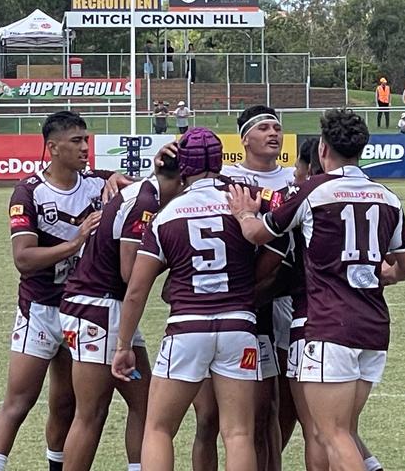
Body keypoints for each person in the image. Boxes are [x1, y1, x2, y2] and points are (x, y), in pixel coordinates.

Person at [227, 109, 405, 471]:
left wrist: (242, 214)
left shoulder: (313, 190)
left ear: (323, 150)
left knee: (332, 434)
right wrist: (385, 276)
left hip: (328, 325)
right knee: (334, 430)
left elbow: (257, 234)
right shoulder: (387, 197)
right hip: (374, 327)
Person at [0, 111, 129, 471]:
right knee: (18, 401)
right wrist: (76, 242)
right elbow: (24, 258)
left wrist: (130, 183)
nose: (85, 147)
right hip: (41, 309)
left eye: (86, 140)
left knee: (66, 404)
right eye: (76, 141)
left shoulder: (99, 183)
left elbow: (142, 191)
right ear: (53, 147)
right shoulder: (29, 191)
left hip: (84, 311)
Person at [112, 127, 265, 471]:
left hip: (187, 328)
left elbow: (136, 288)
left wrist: (124, 345)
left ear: (183, 166)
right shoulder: (244, 200)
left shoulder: (168, 215)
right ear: (222, 160)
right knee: (238, 433)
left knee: (158, 427)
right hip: (239, 325)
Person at [58, 149, 185, 471]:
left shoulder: (146, 192)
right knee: (91, 412)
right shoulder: (145, 201)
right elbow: (130, 273)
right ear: (183, 179)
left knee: (145, 404)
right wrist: (173, 258)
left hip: (106, 308)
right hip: (96, 308)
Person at [288, 138, 385, 471]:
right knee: (341, 430)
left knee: (324, 433)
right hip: (368, 321)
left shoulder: (307, 197)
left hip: (317, 322)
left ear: (316, 157)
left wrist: (244, 214)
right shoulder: (378, 193)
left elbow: (262, 238)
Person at [220, 105, 296, 471]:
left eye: (277, 128)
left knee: (289, 403)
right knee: (254, 406)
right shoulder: (226, 178)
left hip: (294, 296)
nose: (273, 134)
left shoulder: (295, 180)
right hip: (249, 301)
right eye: (264, 127)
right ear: (245, 138)